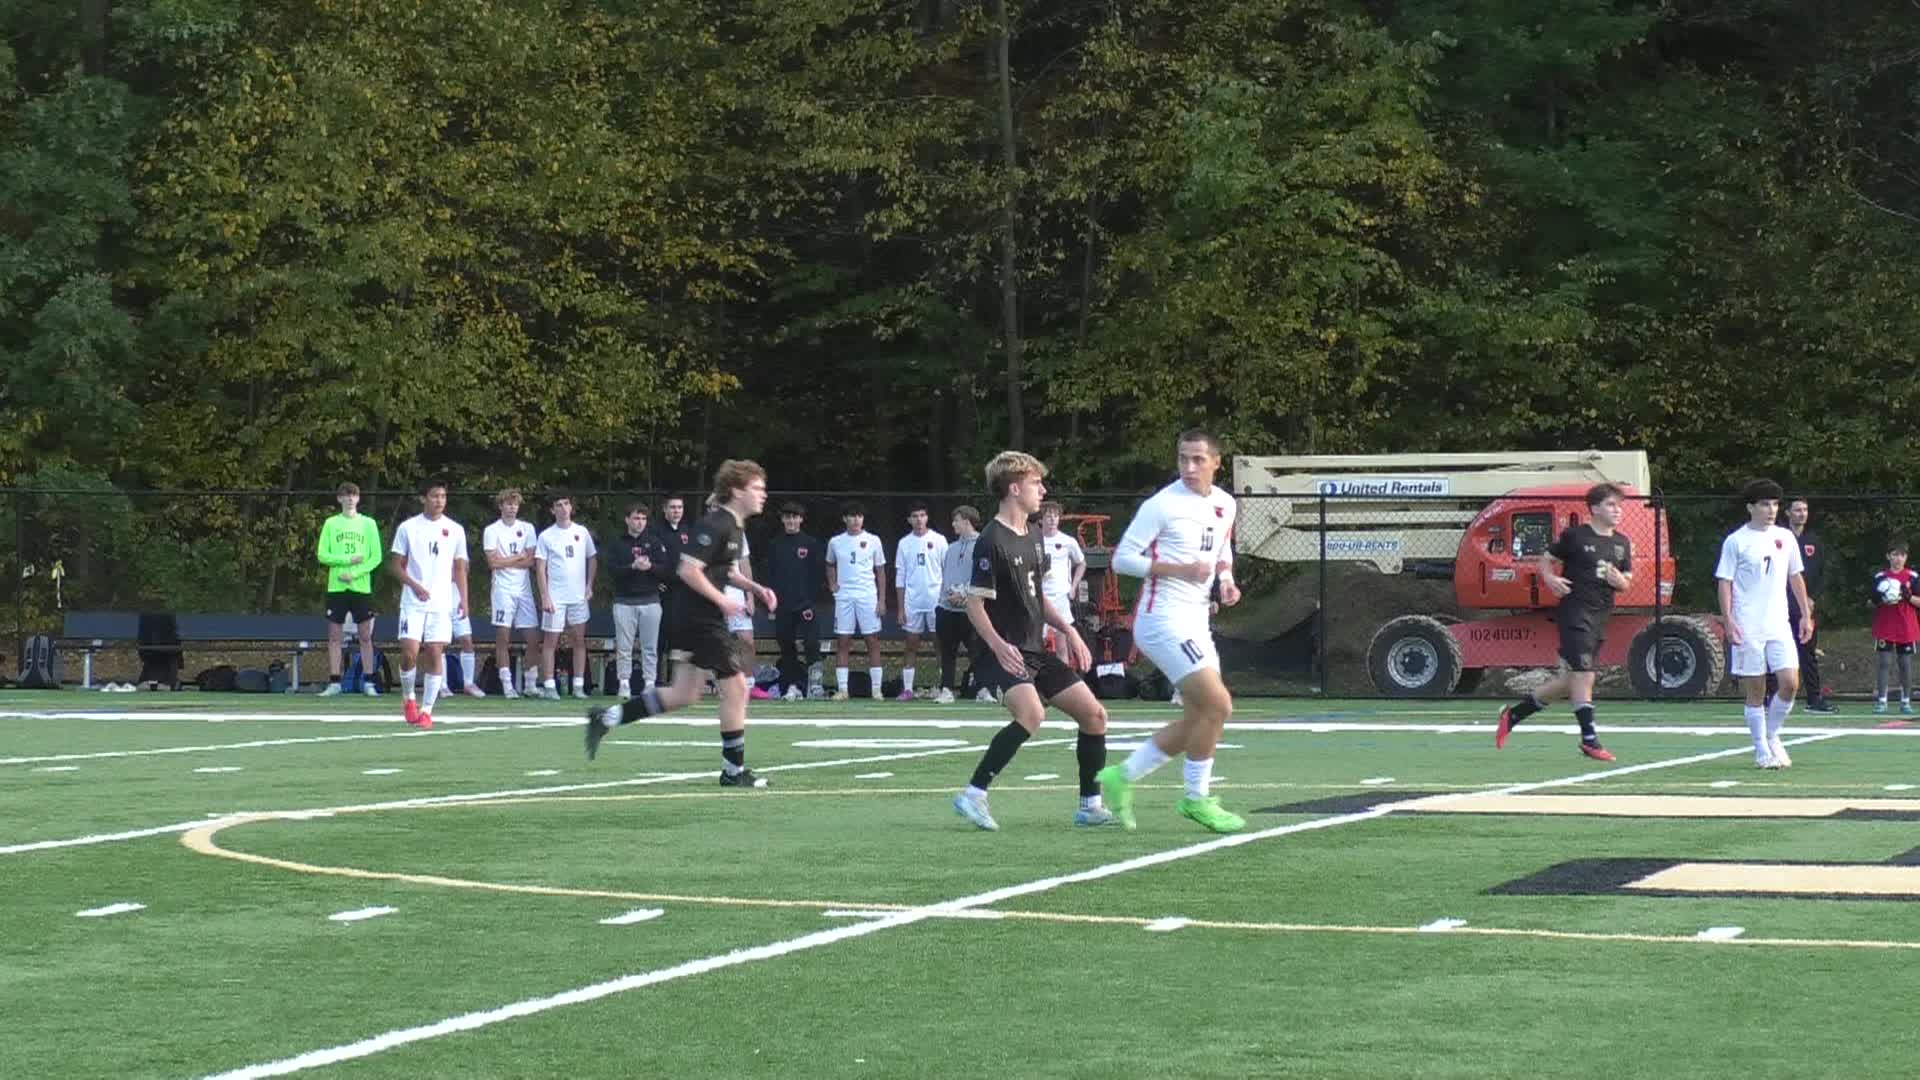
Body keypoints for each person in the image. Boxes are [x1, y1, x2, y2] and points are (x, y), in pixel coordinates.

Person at [586, 460, 778, 788]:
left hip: (699, 617)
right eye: (756, 488)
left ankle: (607, 718)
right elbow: (688, 571)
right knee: (737, 688)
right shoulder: (714, 525)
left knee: (684, 693)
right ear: (736, 491)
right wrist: (722, 601)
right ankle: (733, 772)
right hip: (699, 618)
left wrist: (755, 588)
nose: (763, 495)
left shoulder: (733, 526)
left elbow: (723, 571)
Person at [950, 451, 1112, 831]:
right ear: (1014, 488)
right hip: (1002, 651)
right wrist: (998, 645)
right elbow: (975, 604)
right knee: (1031, 714)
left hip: (1035, 649)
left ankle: (1090, 805)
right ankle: (974, 794)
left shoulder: (1035, 535)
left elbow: (1039, 599)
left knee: (1095, 716)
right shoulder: (990, 540)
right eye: (1036, 483)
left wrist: (1069, 631)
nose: (1043, 490)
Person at [1096, 430, 1247, 833]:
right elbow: (1123, 560)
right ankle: (1196, 800)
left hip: (1196, 620)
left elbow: (1221, 549)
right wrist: (1179, 570)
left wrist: (1226, 579)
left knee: (1201, 715)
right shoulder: (1161, 505)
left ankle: (1122, 776)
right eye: (1183, 459)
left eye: (1198, 459)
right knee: (1218, 706)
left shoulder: (1224, 503)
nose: (1190, 467)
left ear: (1217, 462)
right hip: (1162, 620)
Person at [1494, 483, 1635, 762]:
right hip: (1575, 611)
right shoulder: (1575, 536)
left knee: (1572, 680)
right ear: (1594, 508)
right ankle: (1590, 739)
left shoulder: (1621, 543)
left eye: (1619, 505)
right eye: (1610, 504)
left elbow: (1626, 582)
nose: (1617, 510)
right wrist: (1550, 578)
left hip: (1600, 614)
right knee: (1584, 674)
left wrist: (1618, 580)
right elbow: (1546, 560)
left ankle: (1513, 715)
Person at [1713, 478, 1814, 768]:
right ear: (1750, 507)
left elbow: (1795, 576)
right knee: (1755, 689)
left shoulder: (1785, 537)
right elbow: (1725, 583)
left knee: (1790, 682)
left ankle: (1772, 735)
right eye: (1764, 504)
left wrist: (1806, 615)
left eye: (1774, 504)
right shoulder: (1736, 541)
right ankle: (1760, 749)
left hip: (1779, 623)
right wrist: (1729, 621)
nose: (1771, 510)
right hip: (1748, 625)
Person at [387, 480, 471, 729]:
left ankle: (426, 711)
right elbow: (395, 565)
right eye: (435, 496)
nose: (439, 501)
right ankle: (408, 698)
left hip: (442, 603)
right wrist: (415, 586)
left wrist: (464, 600)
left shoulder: (455, 529)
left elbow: (459, 568)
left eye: (443, 496)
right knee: (409, 652)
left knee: (435, 652)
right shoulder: (408, 528)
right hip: (413, 601)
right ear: (424, 498)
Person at [317, 482, 381, 697]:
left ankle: (369, 681)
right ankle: (335, 681)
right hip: (337, 587)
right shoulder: (331, 524)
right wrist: (346, 560)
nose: (350, 498)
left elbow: (376, 557)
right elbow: (322, 555)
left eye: (354, 494)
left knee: (365, 635)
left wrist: (354, 573)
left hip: (361, 587)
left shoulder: (369, 524)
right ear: (339, 499)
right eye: (346, 495)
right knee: (335, 635)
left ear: (359, 498)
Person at [535, 494, 598, 700]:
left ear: (571, 507)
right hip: (556, 598)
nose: (563, 508)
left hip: (578, 597)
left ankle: (578, 685)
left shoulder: (582, 532)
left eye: (566, 504)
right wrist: (545, 597)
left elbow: (592, 559)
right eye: (558, 505)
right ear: (553, 510)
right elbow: (540, 568)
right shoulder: (546, 536)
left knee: (579, 640)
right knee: (550, 641)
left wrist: (589, 586)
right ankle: (549, 685)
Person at [483, 489, 541, 698]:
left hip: (524, 590)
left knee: (533, 638)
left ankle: (531, 684)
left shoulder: (527, 528)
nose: (512, 507)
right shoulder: (492, 530)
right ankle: (507, 685)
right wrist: (518, 557)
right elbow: (492, 563)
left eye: (515, 504)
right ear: (501, 506)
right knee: (503, 638)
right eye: (508, 504)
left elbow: (531, 560)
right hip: (502, 590)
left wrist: (506, 561)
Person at [827, 502, 888, 700]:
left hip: (867, 596)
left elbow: (880, 571)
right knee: (843, 641)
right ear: (845, 519)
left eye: (859, 516)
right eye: (851, 516)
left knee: (872, 640)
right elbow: (829, 563)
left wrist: (881, 600)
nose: (856, 520)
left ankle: (876, 689)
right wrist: (832, 583)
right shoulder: (835, 541)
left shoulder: (873, 540)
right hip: (844, 596)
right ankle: (843, 689)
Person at [608, 502, 669, 699]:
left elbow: (666, 571)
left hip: (650, 601)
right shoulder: (617, 543)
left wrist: (649, 567)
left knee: (650, 646)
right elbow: (613, 572)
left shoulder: (654, 542)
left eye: (643, 519)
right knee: (624, 646)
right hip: (624, 601)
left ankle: (649, 683)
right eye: (636, 518)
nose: (640, 522)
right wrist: (632, 567)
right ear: (627, 520)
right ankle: (624, 682)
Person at [767, 502, 826, 700]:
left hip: (805, 605)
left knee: (811, 644)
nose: (791, 521)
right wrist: (772, 603)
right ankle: (792, 686)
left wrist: (810, 600)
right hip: (783, 605)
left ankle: (815, 686)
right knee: (786, 646)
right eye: (787, 517)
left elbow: (817, 575)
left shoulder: (811, 544)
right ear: (782, 519)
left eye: (795, 517)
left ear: (801, 519)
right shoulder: (775, 544)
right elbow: (771, 575)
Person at [893, 502, 949, 702]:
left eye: (922, 515)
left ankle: (945, 687)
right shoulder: (904, 543)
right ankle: (907, 689)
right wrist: (900, 609)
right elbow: (900, 577)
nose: (919, 520)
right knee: (911, 645)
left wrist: (946, 599)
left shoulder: (939, 540)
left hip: (936, 601)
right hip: (912, 602)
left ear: (927, 518)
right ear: (909, 519)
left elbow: (947, 571)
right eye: (915, 516)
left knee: (939, 644)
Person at [935, 505, 984, 704]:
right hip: (947, 609)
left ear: (966, 521)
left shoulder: (983, 544)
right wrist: (948, 596)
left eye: (956, 520)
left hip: (971, 609)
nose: (953, 524)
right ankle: (946, 689)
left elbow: (982, 576)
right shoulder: (951, 547)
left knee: (977, 651)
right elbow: (946, 576)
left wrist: (964, 594)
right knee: (947, 652)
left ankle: (983, 689)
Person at [1869, 539, 1920, 715]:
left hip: (1906, 627)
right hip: (1885, 626)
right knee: (1884, 662)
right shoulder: (1880, 577)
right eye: (1895, 554)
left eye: (1902, 555)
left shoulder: (1912, 577)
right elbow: (1871, 602)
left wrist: (1908, 597)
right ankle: (1882, 701)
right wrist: (1876, 600)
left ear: (1906, 557)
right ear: (1888, 556)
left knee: (1905, 664)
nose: (1898, 558)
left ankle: (1905, 701)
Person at [651, 495, 692, 685]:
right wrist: (655, 581)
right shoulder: (655, 531)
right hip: (663, 591)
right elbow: (651, 560)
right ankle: (656, 679)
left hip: (683, 593)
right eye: (673, 507)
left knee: (679, 637)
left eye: (680, 507)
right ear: (665, 510)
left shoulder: (687, 531)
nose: (677, 511)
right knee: (659, 637)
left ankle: (676, 680)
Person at [1037, 501, 1086, 660]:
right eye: (1048, 516)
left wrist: (1073, 588)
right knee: (1036, 643)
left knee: (1062, 644)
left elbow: (1081, 563)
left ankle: (1064, 681)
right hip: (1039, 597)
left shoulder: (1068, 541)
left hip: (1061, 597)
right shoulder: (1033, 541)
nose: (1052, 520)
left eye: (1056, 516)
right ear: (1041, 519)